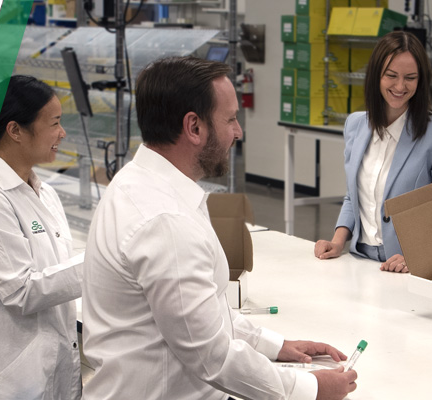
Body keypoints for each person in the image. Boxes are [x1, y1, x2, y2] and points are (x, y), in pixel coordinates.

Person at [82, 56, 359, 400]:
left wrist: (274, 346)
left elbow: (203, 313)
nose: (238, 132)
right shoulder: (165, 221)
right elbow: (211, 356)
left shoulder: (142, 184)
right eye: (230, 119)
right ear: (194, 127)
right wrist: (310, 388)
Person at [0, 75, 83, 399]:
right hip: (6, 376)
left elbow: (59, 264)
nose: (61, 133)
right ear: (15, 130)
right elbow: (21, 291)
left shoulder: (44, 193)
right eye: (54, 123)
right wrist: (100, 264)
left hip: (52, 368)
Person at [312, 31, 432, 273]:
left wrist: (416, 255)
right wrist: (338, 241)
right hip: (359, 261)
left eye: (410, 78)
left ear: (421, 80)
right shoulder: (355, 125)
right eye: (391, 76)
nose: (400, 86)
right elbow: (353, 197)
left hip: (408, 267)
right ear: (376, 76)